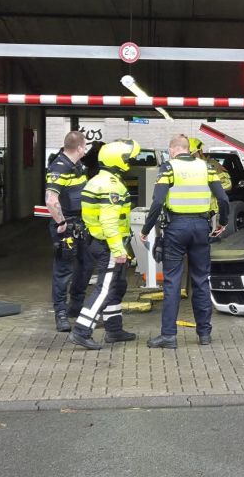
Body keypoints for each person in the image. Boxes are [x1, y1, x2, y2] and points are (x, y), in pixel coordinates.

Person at [142, 135, 231, 349]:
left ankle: (169, 336)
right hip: (201, 228)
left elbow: (157, 202)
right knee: (201, 279)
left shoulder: (168, 168)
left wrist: (146, 229)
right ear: (188, 149)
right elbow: (223, 199)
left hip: (176, 228)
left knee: (173, 281)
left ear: (173, 150)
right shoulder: (206, 168)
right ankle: (204, 334)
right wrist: (223, 222)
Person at [67, 139, 140, 350]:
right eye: (129, 158)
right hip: (108, 244)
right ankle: (81, 330)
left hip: (97, 241)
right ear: (119, 160)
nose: (131, 162)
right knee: (105, 289)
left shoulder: (97, 180)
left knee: (117, 286)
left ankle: (114, 329)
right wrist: (118, 250)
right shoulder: (111, 186)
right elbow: (109, 222)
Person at [45, 131, 91, 332]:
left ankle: (76, 306)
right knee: (64, 270)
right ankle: (61, 314)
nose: (86, 149)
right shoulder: (59, 166)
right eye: (85, 145)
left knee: (85, 265)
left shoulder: (78, 166)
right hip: (67, 226)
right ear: (80, 147)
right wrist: (61, 223)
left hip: (82, 223)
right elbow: (51, 200)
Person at [190, 137, 231, 225]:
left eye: (193, 155)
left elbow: (227, 184)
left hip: (209, 214)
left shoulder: (213, 165)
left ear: (200, 151)